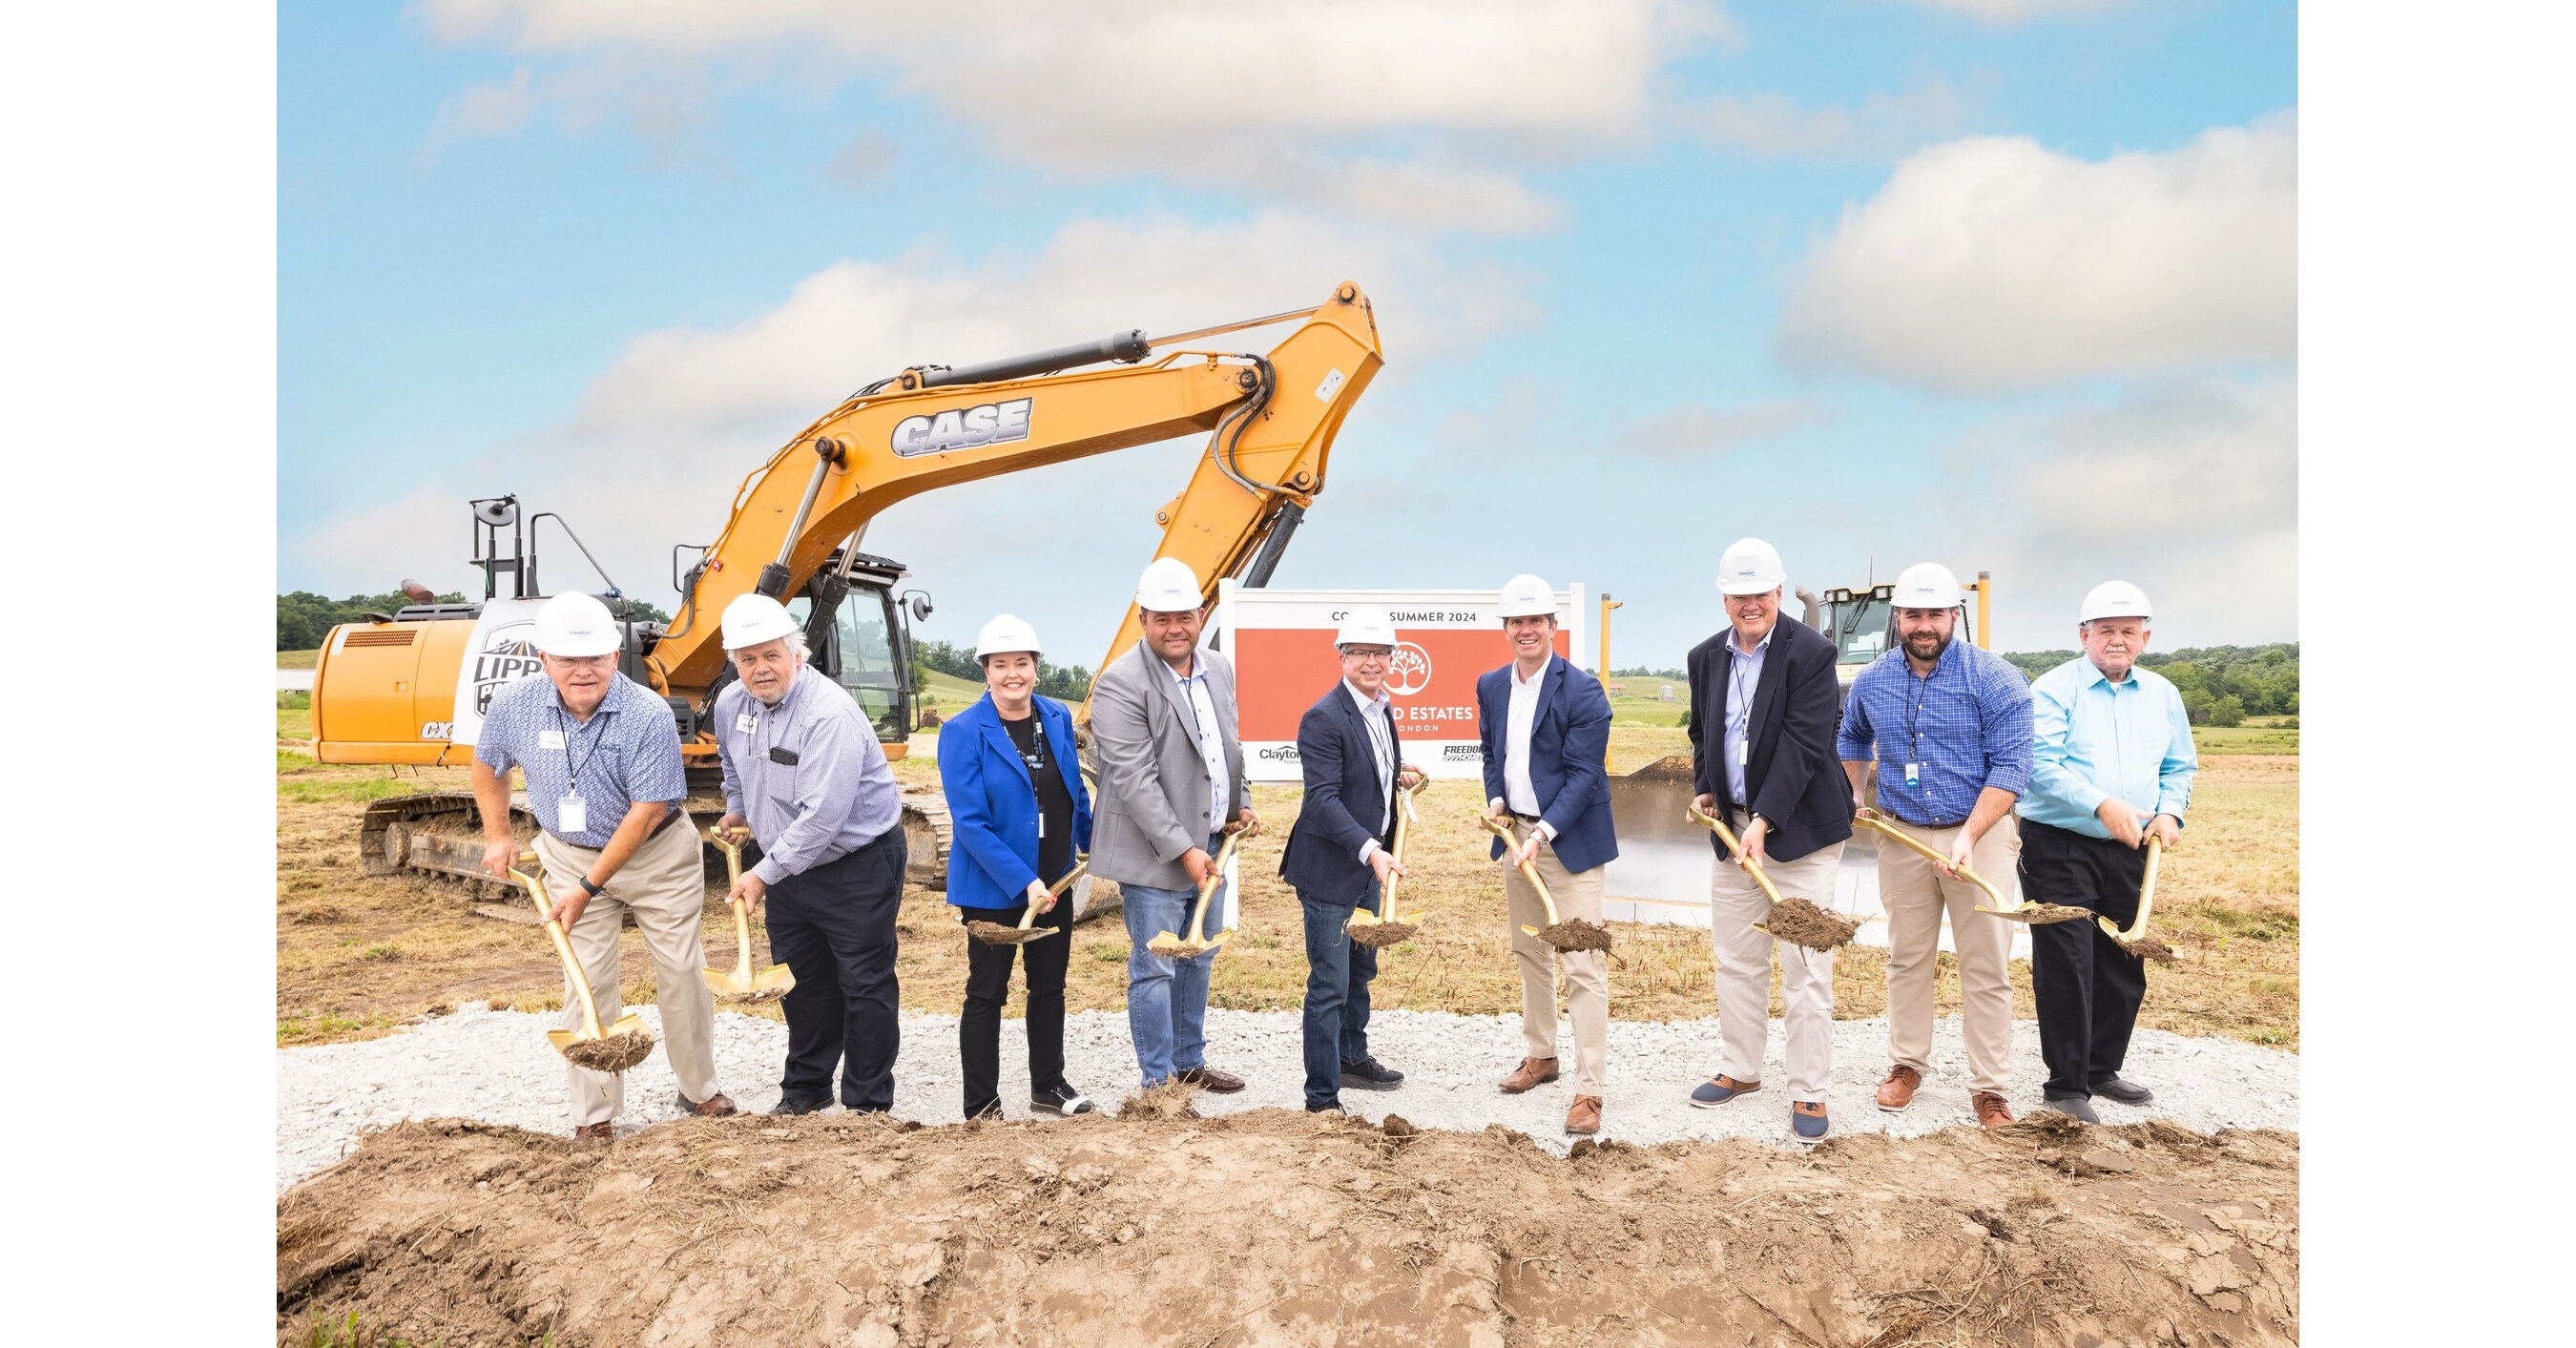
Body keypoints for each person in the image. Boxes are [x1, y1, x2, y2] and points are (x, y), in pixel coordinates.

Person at [472, 591, 733, 1139]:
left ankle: (698, 1088)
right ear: (543, 659)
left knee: (682, 969)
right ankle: (595, 1116)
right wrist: (498, 834)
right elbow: (488, 763)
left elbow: (647, 811)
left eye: (595, 658)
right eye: (568, 659)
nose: (583, 671)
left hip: (655, 854)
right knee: (585, 980)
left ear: (616, 657)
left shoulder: (647, 713)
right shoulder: (514, 704)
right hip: (569, 853)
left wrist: (591, 887)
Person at [1837, 562, 2034, 1130]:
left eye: (1935, 615)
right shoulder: (1873, 679)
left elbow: (2013, 767)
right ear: (1898, 617)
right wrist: (1856, 789)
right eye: (1914, 615)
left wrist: (1969, 837)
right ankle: (1906, 1065)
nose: (1925, 626)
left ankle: (1990, 1088)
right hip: (1902, 835)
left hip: (1982, 834)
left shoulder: (1995, 679)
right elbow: (1851, 734)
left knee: (1986, 964)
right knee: (1907, 957)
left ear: (1955, 616)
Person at [710, 592, 907, 1116]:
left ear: (797, 654)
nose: (760, 669)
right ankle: (806, 1091)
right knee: (801, 981)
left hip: (856, 861)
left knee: (864, 981)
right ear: (735, 663)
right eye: (747, 659)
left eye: (771, 655)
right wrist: (737, 810)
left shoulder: (828, 714)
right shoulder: (731, 703)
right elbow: (732, 762)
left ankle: (867, 1106)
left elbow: (823, 816)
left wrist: (761, 875)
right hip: (787, 862)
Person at [1683, 539, 1854, 1140]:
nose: (1750, 604)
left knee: (1806, 964)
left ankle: (1809, 1091)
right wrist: (1709, 790)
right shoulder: (1705, 656)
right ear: (1724, 598)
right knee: (1736, 959)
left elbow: (1806, 745)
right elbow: (1703, 733)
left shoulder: (1811, 653)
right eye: (1739, 595)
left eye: (1760, 594)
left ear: (1779, 593)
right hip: (1732, 830)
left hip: (1800, 834)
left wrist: (1763, 821)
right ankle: (1741, 1070)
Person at [2017, 581, 2196, 1123]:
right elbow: (2041, 766)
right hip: (2059, 843)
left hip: (2134, 844)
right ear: (2084, 635)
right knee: (2067, 958)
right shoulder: (2053, 688)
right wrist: (2100, 805)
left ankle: (2101, 1069)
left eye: (2127, 631)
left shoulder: (2164, 694)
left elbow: (2178, 766)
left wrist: (2170, 811)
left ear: (2145, 636)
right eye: (2104, 631)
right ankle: (2066, 1085)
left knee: (2123, 958)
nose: (2116, 640)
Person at [1090, 557, 1260, 1093]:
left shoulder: (1218, 667)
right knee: (1157, 964)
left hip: (1212, 841)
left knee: (1198, 957)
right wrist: (1185, 850)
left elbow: (1227, 747)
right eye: (1161, 618)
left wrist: (1242, 802)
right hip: (1154, 852)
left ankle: (1189, 1062)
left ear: (1202, 614)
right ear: (1142, 620)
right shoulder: (1121, 683)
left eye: (1184, 616)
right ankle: (1158, 1084)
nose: (1174, 628)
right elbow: (1136, 781)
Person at [1475, 573, 1619, 1136]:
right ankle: (1542, 1056)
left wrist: (1543, 836)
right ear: (1505, 629)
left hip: (1570, 845)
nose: (1526, 630)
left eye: (1536, 621)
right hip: (1518, 838)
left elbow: (1585, 776)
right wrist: (1496, 799)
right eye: (1517, 622)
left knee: (1582, 965)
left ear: (1553, 627)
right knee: (1529, 951)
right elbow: (1494, 752)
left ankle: (1590, 1089)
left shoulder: (1583, 691)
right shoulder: (1491, 685)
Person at [939, 614, 1098, 1120]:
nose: (1013, 674)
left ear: (1035, 667)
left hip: (1054, 878)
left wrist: (1093, 843)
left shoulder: (1054, 718)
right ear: (986, 670)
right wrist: (1022, 882)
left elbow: (1073, 791)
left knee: (1049, 986)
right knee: (987, 992)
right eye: (1001, 664)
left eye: (1022, 664)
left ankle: (1048, 1087)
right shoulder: (962, 732)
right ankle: (981, 1104)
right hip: (992, 886)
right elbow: (970, 824)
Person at [1278, 612, 1424, 1114]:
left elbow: (1361, 770)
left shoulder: (1382, 710)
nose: (1371, 661)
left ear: (1392, 659)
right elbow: (1321, 799)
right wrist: (1372, 849)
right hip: (1331, 869)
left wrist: (1395, 774)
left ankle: (1351, 1058)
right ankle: (1321, 1095)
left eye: (1380, 652)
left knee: (1361, 970)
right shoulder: (1324, 716)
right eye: (1360, 652)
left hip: (1367, 867)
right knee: (1329, 984)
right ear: (1342, 657)